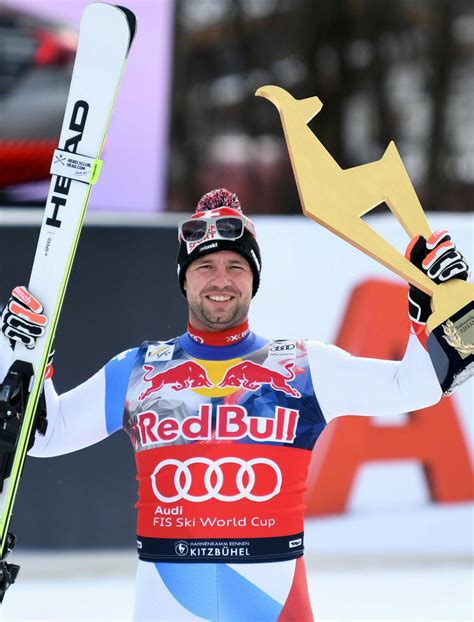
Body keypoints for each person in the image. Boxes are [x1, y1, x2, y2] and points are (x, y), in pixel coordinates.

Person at [0, 188, 470, 621]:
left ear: (254, 280)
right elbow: (45, 435)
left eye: (235, 267)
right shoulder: (138, 368)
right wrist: (19, 357)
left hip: (274, 603)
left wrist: (448, 303)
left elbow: (416, 386)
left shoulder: (306, 365)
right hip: (169, 601)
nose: (220, 280)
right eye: (205, 266)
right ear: (184, 279)